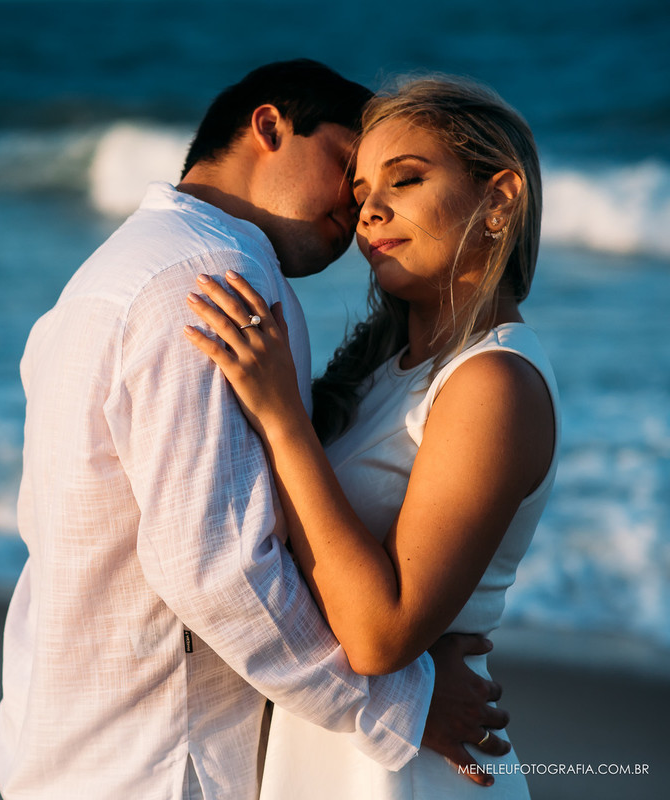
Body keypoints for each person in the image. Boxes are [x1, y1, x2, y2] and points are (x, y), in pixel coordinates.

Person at [0, 60, 509, 800]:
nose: (360, 208)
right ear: (270, 126)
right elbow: (216, 567)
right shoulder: (213, 276)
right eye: (348, 170)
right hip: (164, 762)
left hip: (77, 743)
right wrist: (405, 703)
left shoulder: (115, 269)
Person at [185, 77, 556, 797]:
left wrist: (283, 418)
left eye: (406, 180)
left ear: (499, 198)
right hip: (350, 741)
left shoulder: (493, 383)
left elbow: (381, 636)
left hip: (415, 766)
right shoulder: (387, 373)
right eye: (360, 193)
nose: (371, 212)